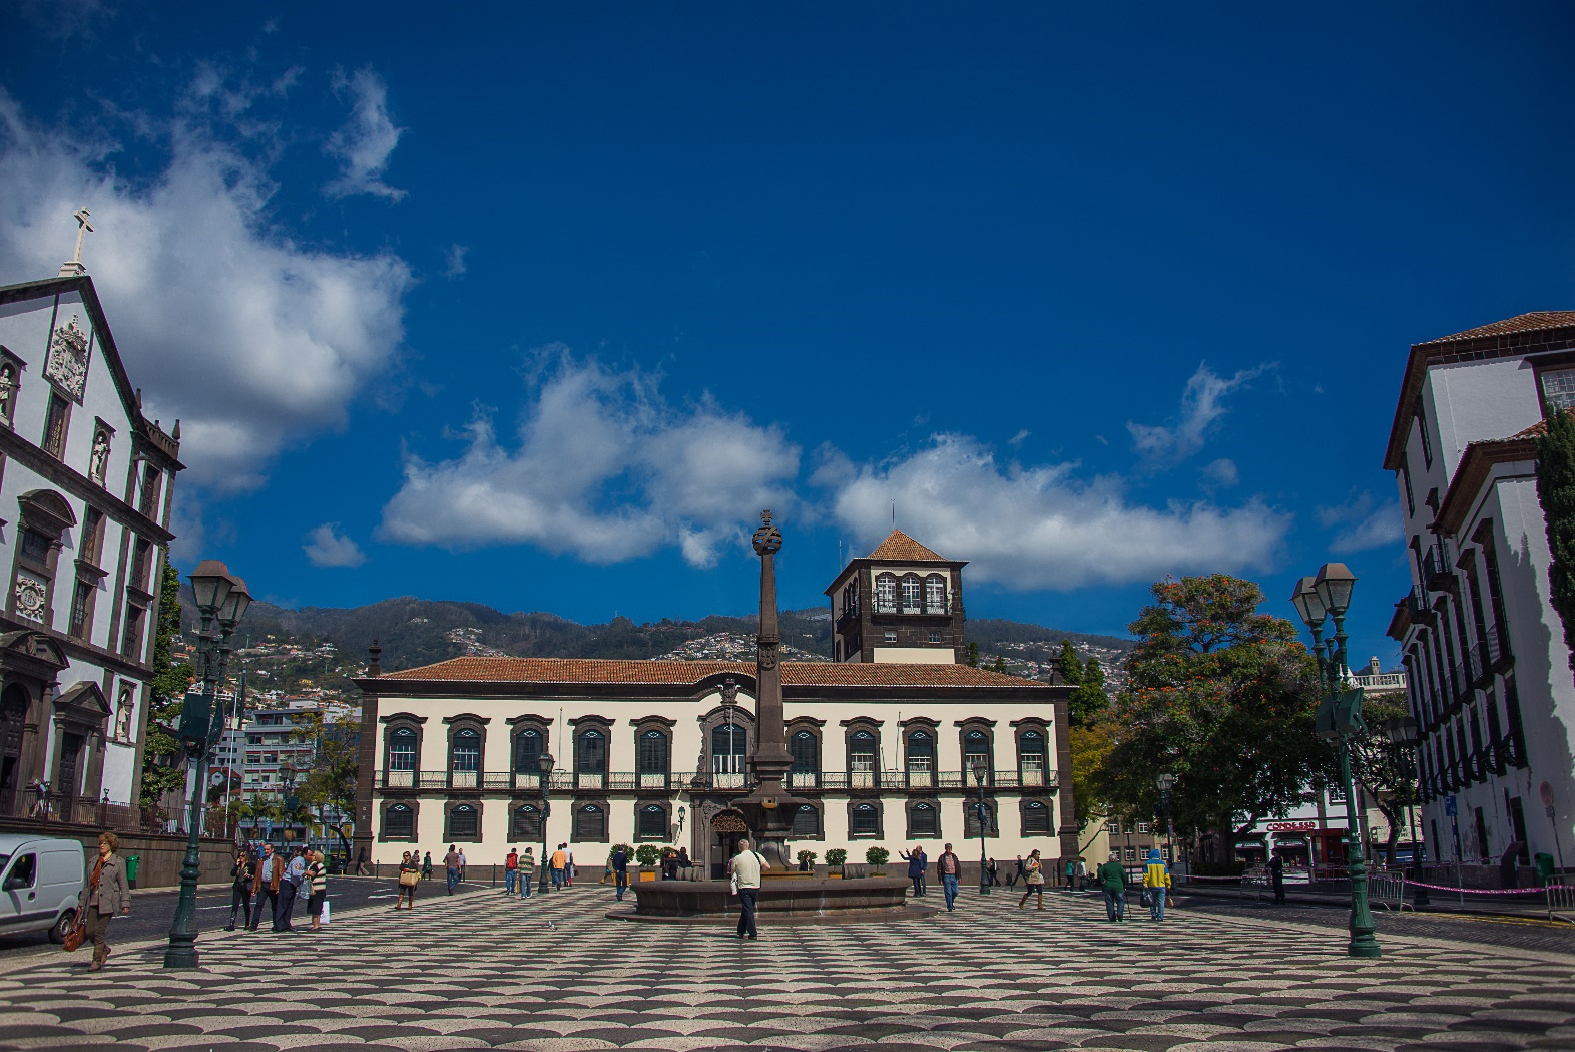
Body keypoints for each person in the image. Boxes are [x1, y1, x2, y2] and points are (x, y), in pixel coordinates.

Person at [77, 832, 130, 971]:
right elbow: (87, 885)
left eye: (104, 843)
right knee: (89, 932)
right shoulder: (93, 861)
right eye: (100, 843)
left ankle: (96, 960)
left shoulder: (118, 862)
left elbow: (123, 884)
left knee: (99, 931)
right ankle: (104, 949)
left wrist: (125, 903)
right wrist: (81, 903)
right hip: (93, 901)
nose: (101, 845)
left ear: (111, 846)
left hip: (108, 902)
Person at [729, 837, 768, 940]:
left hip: (744, 886)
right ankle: (740, 931)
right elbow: (767, 866)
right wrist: (758, 871)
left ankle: (753, 933)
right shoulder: (756, 855)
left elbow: (732, 871)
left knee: (748, 909)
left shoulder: (737, 858)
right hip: (756, 885)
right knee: (747, 908)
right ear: (748, 846)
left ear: (739, 847)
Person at [250, 844, 282, 932]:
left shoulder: (278, 859)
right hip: (263, 885)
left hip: (273, 886)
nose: (266, 851)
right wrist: (254, 889)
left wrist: (279, 888)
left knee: (275, 906)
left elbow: (281, 875)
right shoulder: (261, 860)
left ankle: (276, 925)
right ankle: (253, 925)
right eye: (265, 849)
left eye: (268, 849)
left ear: (272, 849)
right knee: (258, 905)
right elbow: (257, 875)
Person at [277, 846, 307, 931]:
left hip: (292, 885)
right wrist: (305, 872)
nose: (312, 856)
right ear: (305, 855)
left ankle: (286, 924)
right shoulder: (298, 860)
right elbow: (296, 872)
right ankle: (279, 925)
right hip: (287, 883)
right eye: (310, 855)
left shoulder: (302, 861)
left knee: (289, 906)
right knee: (283, 905)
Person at [224, 849, 254, 931]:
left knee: (246, 905)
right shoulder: (238, 865)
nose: (240, 857)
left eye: (242, 855)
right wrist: (236, 865)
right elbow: (232, 873)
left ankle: (247, 924)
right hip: (237, 887)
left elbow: (254, 876)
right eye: (239, 856)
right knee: (235, 905)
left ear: (246, 856)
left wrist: (249, 876)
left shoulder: (250, 865)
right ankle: (231, 924)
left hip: (245, 887)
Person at [1143, 848, 1172, 922]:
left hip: (1151, 885)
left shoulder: (1148, 863)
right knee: (1161, 902)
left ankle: (1153, 914)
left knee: (1151, 901)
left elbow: (1145, 875)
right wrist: (1168, 885)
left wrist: (1145, 883)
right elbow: (1166, 875)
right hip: (1161, 886)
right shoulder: (1163, 863)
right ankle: (1160, 916)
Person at [1097, 852, 1127, 922]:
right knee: (1120, 901)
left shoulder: (1105, 866)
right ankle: (1119, 913)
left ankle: (1111, 918)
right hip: (1118, 885)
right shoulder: (1119, 865)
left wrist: (1102, 879)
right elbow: (1124, 875)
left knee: (1109, 902)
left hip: (1108, 885)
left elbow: (1099, 870)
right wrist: (1124, 884)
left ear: (1109, 859)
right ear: (1116, 859)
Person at [306, 850, 329, 931]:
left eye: (312, 855)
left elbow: (311, 874)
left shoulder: (317, 865)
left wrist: (304, 871)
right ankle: (317, 924)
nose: (311, 856)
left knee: (316, 908)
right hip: (318, 889)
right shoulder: (315, 865)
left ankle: (316, 925)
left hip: (317, 889)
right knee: (316, 907)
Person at [936, 843, 962, 912]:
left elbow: (958, 867)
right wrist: (940, 879)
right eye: (948, 848)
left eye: (950, 848)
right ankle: (950, 907)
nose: (949, 849)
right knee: (948, 892)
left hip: (954, 876)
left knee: (956, 892)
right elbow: (939, 869)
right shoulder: (942, 857)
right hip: (946, 876)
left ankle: (951, 902)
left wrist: (959, 877)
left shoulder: (954, 856)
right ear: (945, 849)